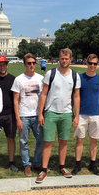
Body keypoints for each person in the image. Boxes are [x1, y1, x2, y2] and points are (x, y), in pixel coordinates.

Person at [35, 48, 81, 183]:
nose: (64, 61)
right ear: (59, 59)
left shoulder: (75, 75)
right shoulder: (51, 73)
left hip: (66, 113)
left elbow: (76, 96)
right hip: (50, 112)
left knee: (63, 141)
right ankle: (44, 169)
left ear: (70, 60)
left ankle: (62, 166)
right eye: (62, 58)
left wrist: (76, 115)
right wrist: (40, 113)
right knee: (48, 142)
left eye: (66, 59)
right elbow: (43, 94)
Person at [71, 54, 99, 176]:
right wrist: (76, 114)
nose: (92, 66)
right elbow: (76, 96)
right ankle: (77, 164)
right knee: (80, 140)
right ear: (86, 63)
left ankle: (93, 164)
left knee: (93, 140)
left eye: (95, 64)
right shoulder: (80, 78)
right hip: (82, 114)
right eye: (90, 63)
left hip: (95, 114)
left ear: (97, 65)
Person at [11, 53, 44, 177]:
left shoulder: (41, 78)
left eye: (33, 63)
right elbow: (15, 100)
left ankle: (36, 162)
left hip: (37, 115)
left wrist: (41, 114)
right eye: (29, 63)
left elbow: (43, 97)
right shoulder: (19, 79)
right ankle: (27, 165)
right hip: (24, 115)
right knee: (23, 141)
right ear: (24, 64)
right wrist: (18, 118)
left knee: (41, 140)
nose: (31, 65)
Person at [0, 56, 18, 172]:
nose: (2, 67)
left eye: (4, 65)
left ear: (7, 65)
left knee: (11, 139)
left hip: (10, 114)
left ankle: (11, 161)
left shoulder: (13, 79)